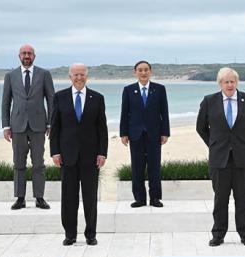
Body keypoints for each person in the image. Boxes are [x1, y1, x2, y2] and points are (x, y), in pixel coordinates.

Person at [196, 67, 245, 247]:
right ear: (220, 84)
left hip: (243, 157)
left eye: (232, 81)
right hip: (219, 158)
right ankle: (218, 234)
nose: (230, 85)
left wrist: (241, 142)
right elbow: (201, 128)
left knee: (242, 199)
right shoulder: (209, 101)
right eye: (226, 82)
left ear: (236, 82)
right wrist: (215, 144)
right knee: (220, 199)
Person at [50, 63, 108, 246]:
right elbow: (55, 128)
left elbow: (102, 129)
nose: (79, 77)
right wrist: (55, 152)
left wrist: (102, 153)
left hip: (91, 157)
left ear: (87, 76)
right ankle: (70, 234)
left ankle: (91, 234)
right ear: (69, 77)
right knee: (68, 198)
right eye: (75, 74)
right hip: (67, 156)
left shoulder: (97, 98)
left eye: (82, 74)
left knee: (90, 198)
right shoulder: (59, 97)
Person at [1, 44, 54, 210]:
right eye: (24, 53)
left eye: (29, 53)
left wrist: (51, 123)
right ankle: (20, 198)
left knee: (38, 163)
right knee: (18, 163)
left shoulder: (44, 74)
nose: (26, 56)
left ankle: (39, 198)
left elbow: (51, 100)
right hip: (17, 126)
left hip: (39, 125)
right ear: (19, 56)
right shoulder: (10, 75)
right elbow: (5, 102)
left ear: (34, 56)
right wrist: (5, 126)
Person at [120, 61, 170, 208]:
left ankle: (155, 198)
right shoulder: (128, 90)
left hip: (154, 134)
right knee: (137, 168)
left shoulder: (159, 89)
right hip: (135, 134)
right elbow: (124, 113)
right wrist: (123, 133)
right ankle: (140, 199)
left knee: (154, 167)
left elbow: (164, 113)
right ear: (135, 72)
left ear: (150, 72)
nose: (143, 73)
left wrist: (165, 132)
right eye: (140, 70)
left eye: (146, 70)